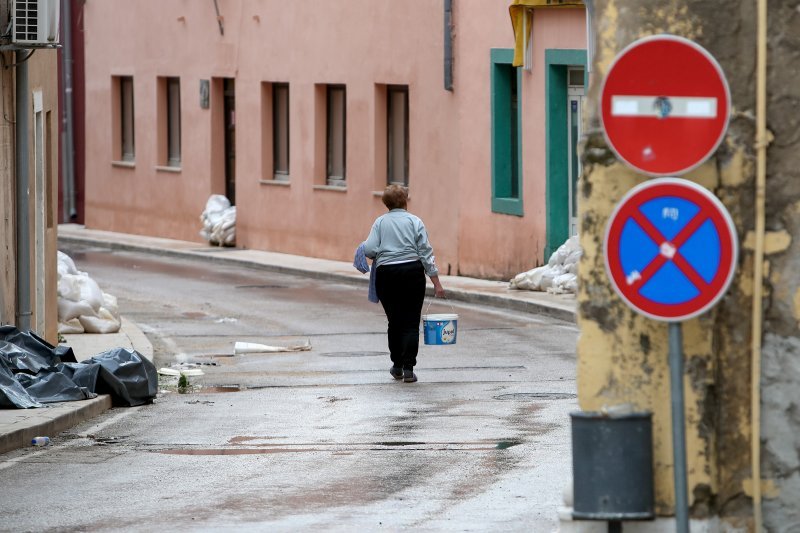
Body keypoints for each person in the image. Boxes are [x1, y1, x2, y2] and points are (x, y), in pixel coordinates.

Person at [362, 185, 445, 383]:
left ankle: (397, 365)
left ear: (386, 203)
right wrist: (436, 282)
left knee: (394, 321)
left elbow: (369, 249)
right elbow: (426, 253)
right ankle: (409, 368)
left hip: (387, 274)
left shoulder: (380, 222)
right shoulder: (415, 221)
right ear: (405, 200)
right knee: (410, 322)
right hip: (412, 273)